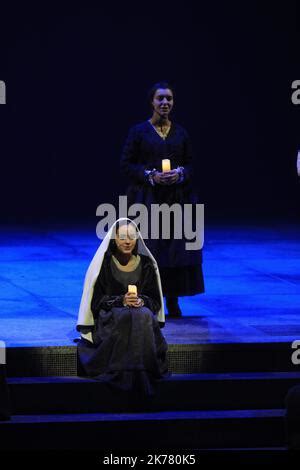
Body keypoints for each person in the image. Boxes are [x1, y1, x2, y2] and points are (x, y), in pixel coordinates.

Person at [120, 81, 204, 316]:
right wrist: (150, 176)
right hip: (148, 200)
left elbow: (191, 164)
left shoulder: (181, 132)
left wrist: (180, 173)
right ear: (152, 102)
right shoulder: (139, 132)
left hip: (177, 198)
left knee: (175, 250)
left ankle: (173, 300)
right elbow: (126, 164)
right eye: (160, 99)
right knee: (150, 249)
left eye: (169, 99)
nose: (165, 102)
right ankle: (148, 298)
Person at [76, 218, 169, 396]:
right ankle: (123, 375)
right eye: (123, 237)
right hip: (111, 318)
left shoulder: (147, 265)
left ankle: (143, 373)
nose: (127, 241)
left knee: (141, 314)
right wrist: (121, 301)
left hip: (141, 317)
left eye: (132, 237)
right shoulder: (104, 265)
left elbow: (155, 302)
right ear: (114, 239)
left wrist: (141, 301)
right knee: (128, 316)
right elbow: (96, 302)